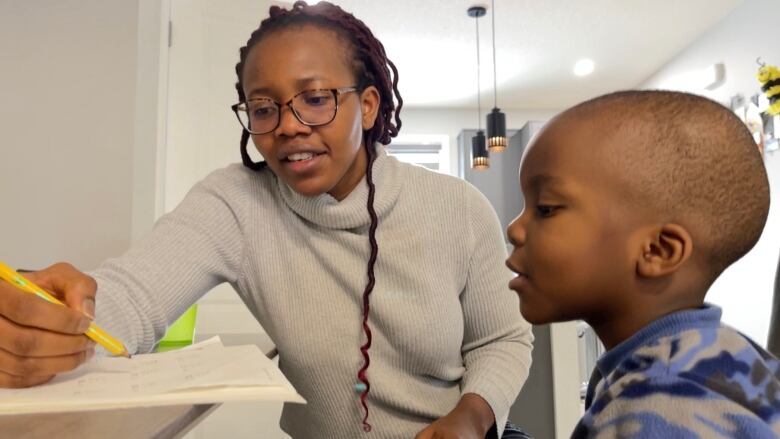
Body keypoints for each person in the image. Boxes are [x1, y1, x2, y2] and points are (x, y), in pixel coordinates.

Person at [0, 2, 533, 438]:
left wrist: (471, 417)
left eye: (316, 99)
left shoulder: (456, 208)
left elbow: (502, 340)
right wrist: (61, 313)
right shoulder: (237, 203)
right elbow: (132, 299)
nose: (288, 126)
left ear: (368, 106)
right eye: (263, 107)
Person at [505, 90, 780, 438]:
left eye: (545, 208)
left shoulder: (657, 410)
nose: (514, 229)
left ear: (658, 251)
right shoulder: (732, 355)